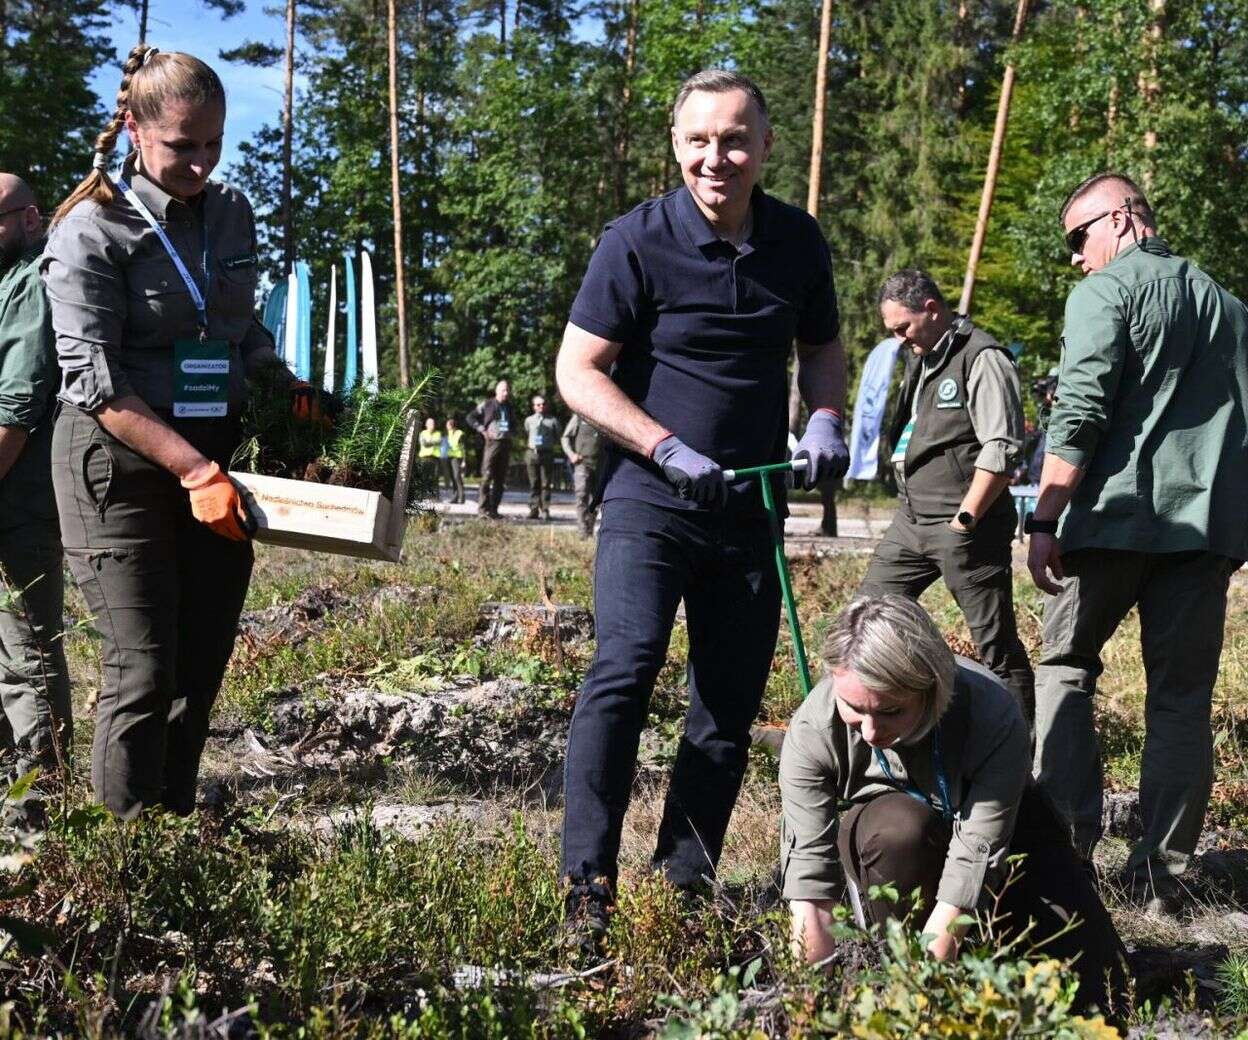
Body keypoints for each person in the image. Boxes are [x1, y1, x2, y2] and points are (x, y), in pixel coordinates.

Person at [555, 69, 850, 951]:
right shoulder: (636, 241)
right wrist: (664, 448)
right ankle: (587, 890)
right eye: (697, 140)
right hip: (652, 496)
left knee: (725, 705)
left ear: (764, 146)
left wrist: (827, 414)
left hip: (750, 501)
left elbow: (823, 346)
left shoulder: (798, 241)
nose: (714, 157)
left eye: (733, 139)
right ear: (676, 145)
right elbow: (578, 372)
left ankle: (684, 886)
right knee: (626, 665)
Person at [41, 45, 304, 817]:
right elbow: (95, 383)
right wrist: (193, 471)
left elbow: (236, 323)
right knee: (143, 665)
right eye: (182, 146)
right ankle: (127, 858)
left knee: (202, 658)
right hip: (116, 466)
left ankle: (174, 828)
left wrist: (279, 380)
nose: (200, 162)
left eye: (213, 144)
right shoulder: (90, 230)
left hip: (212, 462)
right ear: (135, 131)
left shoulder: (229, 213)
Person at [1027, 172, 1248, 909]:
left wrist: (1043, 516)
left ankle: (1062, 858)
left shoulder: (1105, 293)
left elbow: (1081, 409)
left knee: (1065, 671)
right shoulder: (1231, 310)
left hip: (1109, 524)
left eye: (1077, 237)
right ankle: (1162, 881)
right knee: (1182, 701)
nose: (1074, 258)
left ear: (1120, 220)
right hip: (1200, 535)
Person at [781, 595, 1126, 1017]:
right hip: (892, 832)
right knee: (900, 831)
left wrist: (927, 983)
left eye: (890, 711)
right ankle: (898, 952)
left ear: (930, 688)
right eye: (854, 708)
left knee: (1103, 990)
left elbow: (979, 849)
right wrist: (808, 1006)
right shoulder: (812, 731)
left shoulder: (991, 711)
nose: (870, 731)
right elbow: (809, 886)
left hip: (997, 823)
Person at [859, 270, 1033, 720]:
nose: (899, 339)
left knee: (993, 643)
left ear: (932, 310)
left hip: (964, 525)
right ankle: (860, 728)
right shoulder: (922, 357)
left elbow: (1002, 447)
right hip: (911, 520)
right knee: (863, 620)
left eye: (904, 328)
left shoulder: (983, 357)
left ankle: (1020, 753)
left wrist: (966, 519)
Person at [0, 174, 72, 780]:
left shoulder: (30, 284)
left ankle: (42, 813)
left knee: (27, 655)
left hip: (18, 502)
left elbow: (16, 411)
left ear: (29, 218)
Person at [465, 379, 515, 519]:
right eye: (503, 390)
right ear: (497, 391)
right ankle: (482, 510)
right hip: (492, 443)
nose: (506, 393)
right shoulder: (487, 404)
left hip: (505, 444)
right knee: (487, 477)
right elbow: (470, 417)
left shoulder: (510, 406)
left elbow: (514, 424)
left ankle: (494, 510)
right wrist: (481, 429)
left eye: (507, 390)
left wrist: (512, 434)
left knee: (500, 479)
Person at [561, 411, 603, 538]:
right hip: (582, 463)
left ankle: (589, 529)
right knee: (581, 495)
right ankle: (582, 530)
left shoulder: (606, 416)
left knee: (596, 500)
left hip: (600, 465)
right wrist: (571, 454)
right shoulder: (580, 416)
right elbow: (565, 437)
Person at [523, 393, 562, 520]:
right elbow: (527, 433)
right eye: (538, 404)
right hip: (532, 453)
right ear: (534, 407)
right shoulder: (529, 420)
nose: (541, 406)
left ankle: (545, 509)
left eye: (543, 404)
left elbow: (558, 436)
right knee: (534, 483)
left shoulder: (552, 420)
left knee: (546, 483)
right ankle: (533, 509)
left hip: (546, 453)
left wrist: (548, 445)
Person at [417, 416, 442, 500]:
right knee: (423, 477)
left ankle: (436, 497)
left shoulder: (438, 433)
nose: (432, 425)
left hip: (435, 458)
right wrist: (432, 442)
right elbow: (424, 444)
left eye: (433, 423)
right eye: (430, 423)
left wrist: (429, 442)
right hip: (424, 458)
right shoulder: (423, 433)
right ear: (426, 425)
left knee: (435, 478)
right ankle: (421, 496)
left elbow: (437, 441)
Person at [444, 417, 465, 504]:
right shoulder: (448, 433)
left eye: (447, 425)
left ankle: (462, 497)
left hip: (458, 457)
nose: (446, 426)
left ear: (451, 425)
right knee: (453, 477)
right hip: (450, 457)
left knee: (457, 476)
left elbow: (464, 448)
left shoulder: (460, 433)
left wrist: (464, 460)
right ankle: (455, 497)